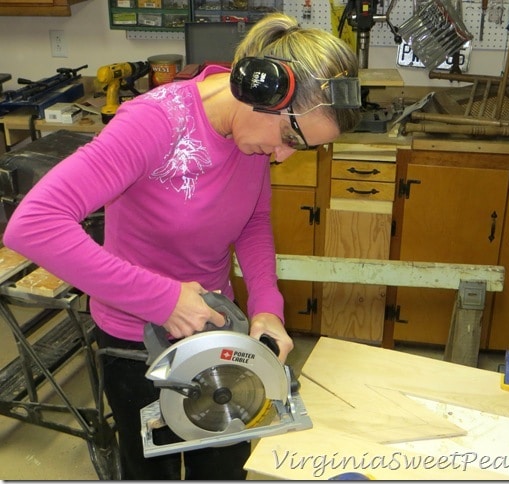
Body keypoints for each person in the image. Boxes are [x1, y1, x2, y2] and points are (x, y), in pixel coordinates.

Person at [3, 12, 361, 480]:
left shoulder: (250, 136)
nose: (283, 155)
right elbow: (33, 224)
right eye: (291, 137)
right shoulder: (154, 123)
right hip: (138, 346)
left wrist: (266, 307)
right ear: (260, 91)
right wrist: (164, 299)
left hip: (215, 333)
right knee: (153, 472)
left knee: (225, 466)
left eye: (303, 148)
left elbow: (253, 222)